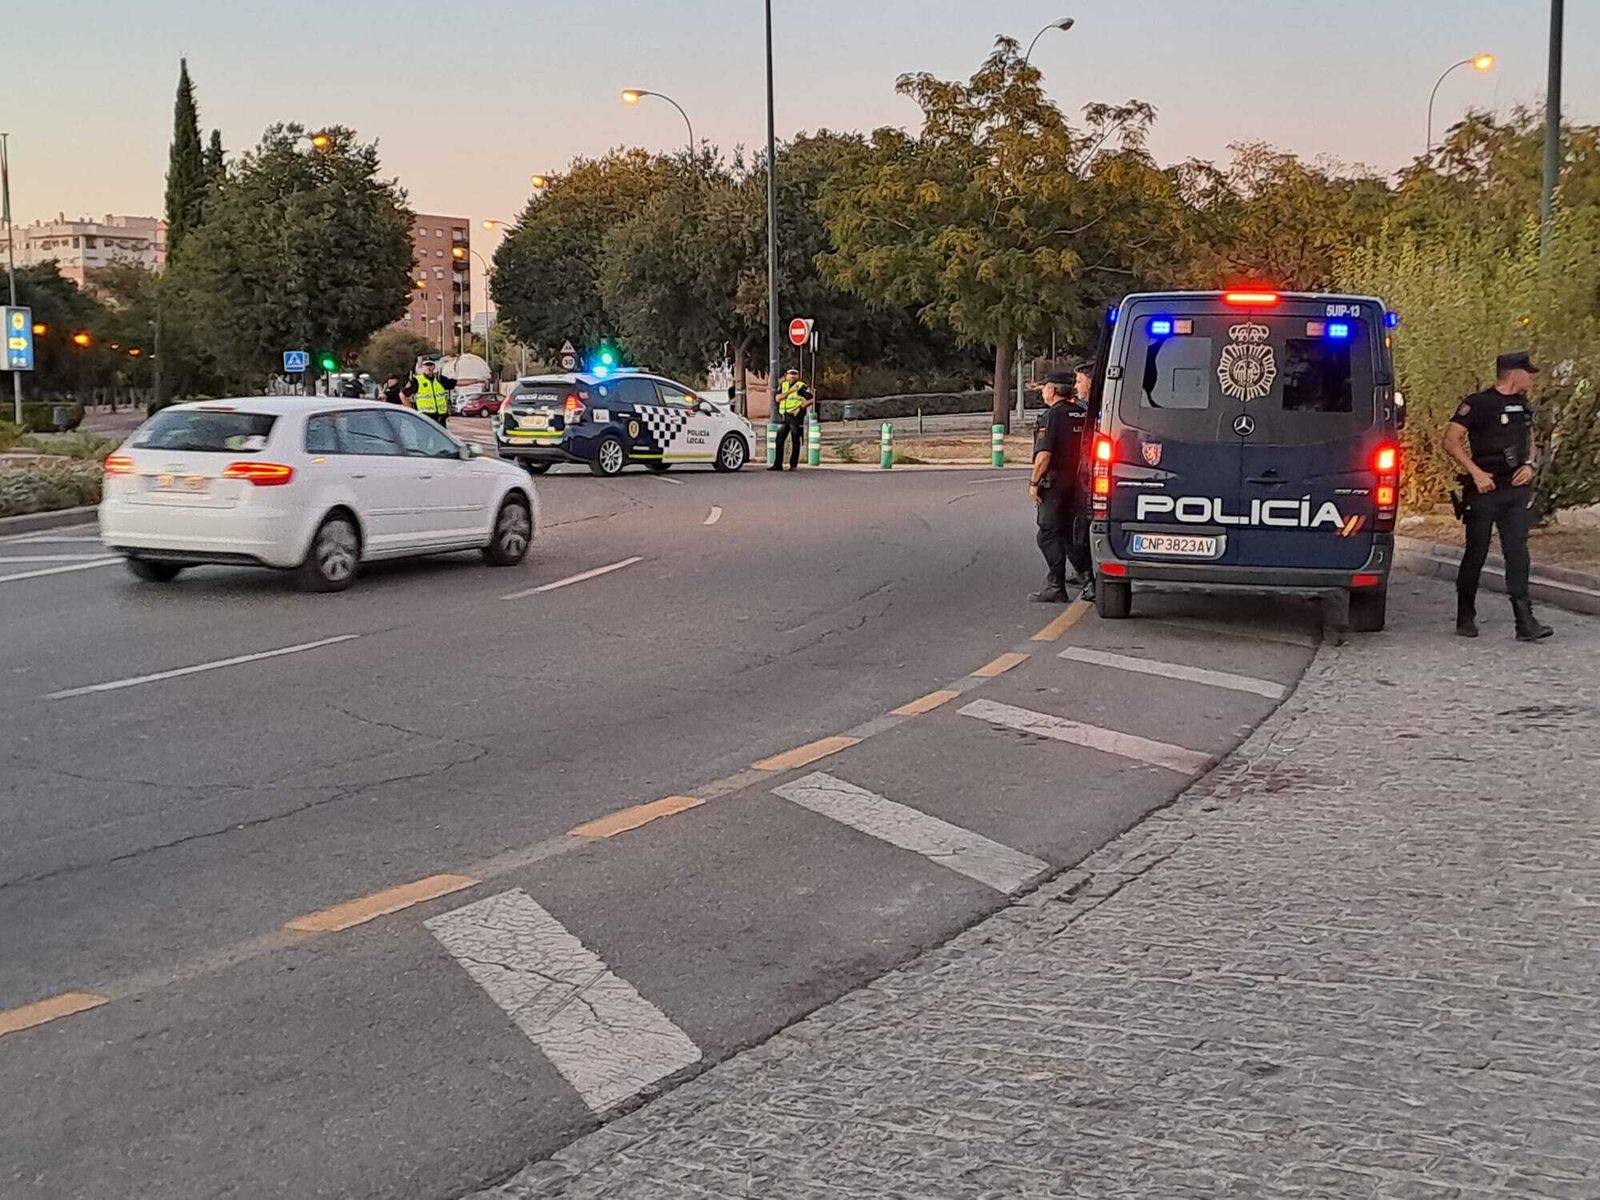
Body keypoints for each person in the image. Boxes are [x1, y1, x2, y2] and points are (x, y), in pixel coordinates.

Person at [1444, 350, 1553, 642]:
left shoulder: (1523, 405)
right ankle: (1465, 614)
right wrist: (1475, 472)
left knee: (1517, 552)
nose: (1531, 377)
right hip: (1484, 490)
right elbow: (1451, 440)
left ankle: (1525, 621)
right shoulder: (1478, 403)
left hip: (1515, 490)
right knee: (1476, 553)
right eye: (1527, 372)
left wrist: (1530, 465)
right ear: (1513, 374)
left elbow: (1530, 440)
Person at [1029, 369, 1092, 603]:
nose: (1044, 392)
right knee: (1070, 533)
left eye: (1045, 388)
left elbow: (1044, 455)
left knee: (1047, 533)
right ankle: (1090, 580)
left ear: (1052, 390)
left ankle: (1056, 584)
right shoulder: (1082, 413)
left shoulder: (1052, 416)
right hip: (1079, 481)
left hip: (1055, 483)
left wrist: (1034, 483)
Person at [770, 369, 814, 472]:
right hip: (785, 417)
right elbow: (777, 398)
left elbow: (812, 399)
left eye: (795, 374)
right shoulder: (783, 385)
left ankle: (793, 465)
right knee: (779, 439)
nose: (793, 376)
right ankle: (777, 464)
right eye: (791, 374)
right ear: (786, 375)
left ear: (798, 376)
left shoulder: (801, 386)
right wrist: (790, 391)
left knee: (795, 440)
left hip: (796, 417)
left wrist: (801, 408)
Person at [403, 359, 455, 428]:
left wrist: (473, 381)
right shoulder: (417, 380)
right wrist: (411, 410)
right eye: (426, 365)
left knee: (441, 438)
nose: (429, 368)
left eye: (430, 365)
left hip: (440, 417)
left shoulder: (439, 379)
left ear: (434, 367)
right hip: (425, 417)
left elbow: (456, 383)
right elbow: (402, 394)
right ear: (422, 367)